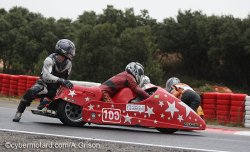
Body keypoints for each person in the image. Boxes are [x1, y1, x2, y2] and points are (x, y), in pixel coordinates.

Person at [13, 39, 76, 122]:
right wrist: (61, 80)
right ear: (62, 50)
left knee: (64, 99)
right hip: (44, 84)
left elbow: (65, 78)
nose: (71, 52)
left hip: (56, 89)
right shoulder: (49, 60)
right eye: (69, 50)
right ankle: (19, 112)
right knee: (31, 91)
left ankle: (45, 103)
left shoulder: (68, 64)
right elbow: (46, 76)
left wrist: (64, 83)